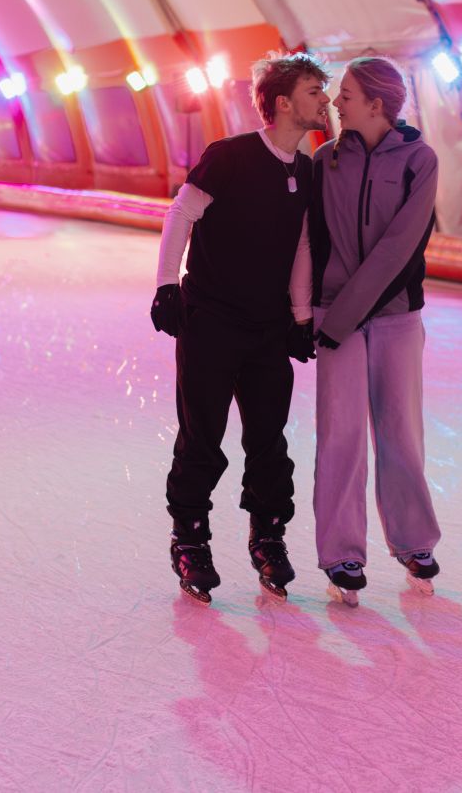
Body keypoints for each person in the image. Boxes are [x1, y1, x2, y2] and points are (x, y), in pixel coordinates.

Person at [150, 51, 328, 604]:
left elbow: (301, 245)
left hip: (268, 330)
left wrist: (300, 318)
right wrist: (166, 285)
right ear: (282, 103)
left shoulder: (305, 169)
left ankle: (268, 535)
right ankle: (191, 539)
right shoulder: (228, 157)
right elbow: (181, 214)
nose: (324, 100)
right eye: (314, 91)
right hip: (210, 324)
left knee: (268, 441)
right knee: (202, 437)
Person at [309, 56, 442, 605]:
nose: (336, 103)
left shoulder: (419, 161)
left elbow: (399, 249)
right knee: (339, 436)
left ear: (377, 104)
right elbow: (311, 241)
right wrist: (308, 314)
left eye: (346, 94)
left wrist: (341, 318)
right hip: (332, 315)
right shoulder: (324, 160)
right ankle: (341, 552)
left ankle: (414, 542)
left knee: (400, 430)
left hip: (393, 316)